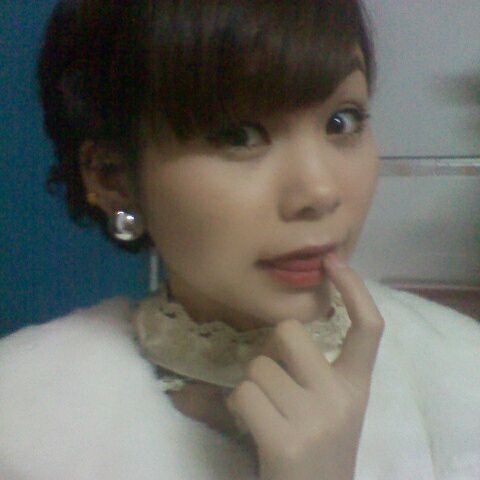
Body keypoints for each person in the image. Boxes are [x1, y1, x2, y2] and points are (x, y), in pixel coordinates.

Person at [0, 1, 479, 479]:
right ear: (114, 179)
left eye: (342, 122)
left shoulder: (462, 375)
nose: (320, 192)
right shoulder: (24, 419)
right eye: (239, 135)